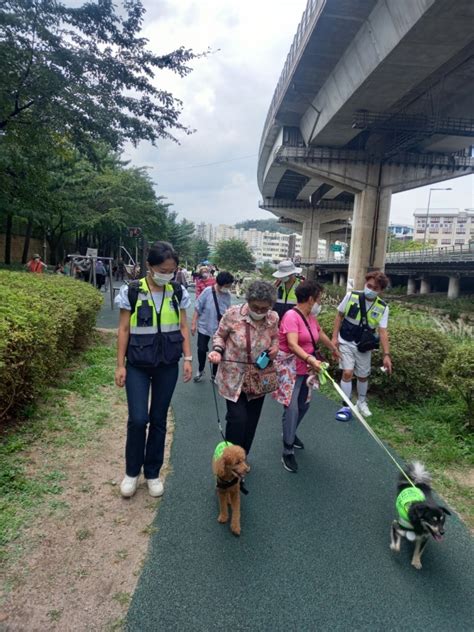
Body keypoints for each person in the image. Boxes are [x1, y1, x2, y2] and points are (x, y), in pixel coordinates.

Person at [114, 241, 193, 499]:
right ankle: (131, 472)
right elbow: (123, 329)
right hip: (137, 364)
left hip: (167, 365)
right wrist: (120, 365)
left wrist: (189, 358)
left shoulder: (178, 291)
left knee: (158, 420)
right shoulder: (133, 291)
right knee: (138, 420)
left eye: (172, 269)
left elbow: (183, 327)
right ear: (149, 266)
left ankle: (152, 473)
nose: (167, 274)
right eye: (163, 269)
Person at [273, 280, 339, 473]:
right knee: (292, 407)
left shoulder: (310, 317)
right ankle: (287, 449)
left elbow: (318, 333)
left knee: (304, 404)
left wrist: (333, 347)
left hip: (306, 367)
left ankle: (290, 431)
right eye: (319, 299)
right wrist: (311, 359)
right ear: (311, 299)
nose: (320, 303)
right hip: (290, 367)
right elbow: (293, 345)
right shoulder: (291, 317)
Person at [208, 281, 279, 455]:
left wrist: (275, 347)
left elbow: (276, 337)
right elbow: (219, 335)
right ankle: (231, 461)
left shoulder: (273, 318)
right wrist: (217, 351)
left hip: (258, 378)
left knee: (251, 422)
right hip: (233, 376)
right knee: (238, 419)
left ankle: (243, 457)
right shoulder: (233, 314)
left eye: (264, 308)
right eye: (256, 307)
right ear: (248, 301)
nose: (260, 311)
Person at [332, 270, 392, 418]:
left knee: (363, 376)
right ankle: (345, 405)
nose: (370, 290)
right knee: (347, 372)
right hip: (345, 339)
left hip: (364, 345)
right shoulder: (352, 296)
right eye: (368, 285)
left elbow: (383, 331)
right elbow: (339, 316)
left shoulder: (383, 307)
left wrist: (386, 354)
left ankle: (361, 402)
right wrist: (334, 338)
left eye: (375, 288)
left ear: (381, 291)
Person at [191, 271, 234, 382]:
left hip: (219, 329)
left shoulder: (227, 295)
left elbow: (228, 311)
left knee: (218, 350)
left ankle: (215, 374)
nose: (228, 288)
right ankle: (200, 370)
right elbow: (197, 307)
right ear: (220, 284)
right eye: (227, 286)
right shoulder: (207, 291)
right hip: (204, 326)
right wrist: (193, 323)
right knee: (201, 349)